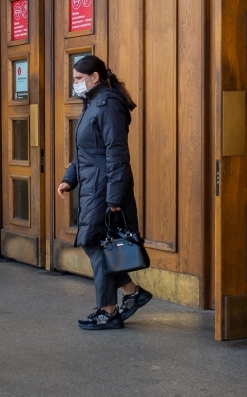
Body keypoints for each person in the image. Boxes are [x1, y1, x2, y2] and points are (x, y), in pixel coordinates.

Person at [57, 55, 153, 330]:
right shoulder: (92, 103)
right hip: (93, 185)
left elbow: (116, 154)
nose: (75, 84)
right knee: (97, 244)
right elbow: (87, 151)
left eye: (78, 79)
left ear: (94, 77)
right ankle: (131, 293)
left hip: (104, 187)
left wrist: (115, 197)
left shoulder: (108, 104)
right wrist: (69, 178)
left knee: (94, 243)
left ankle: (109, 309)